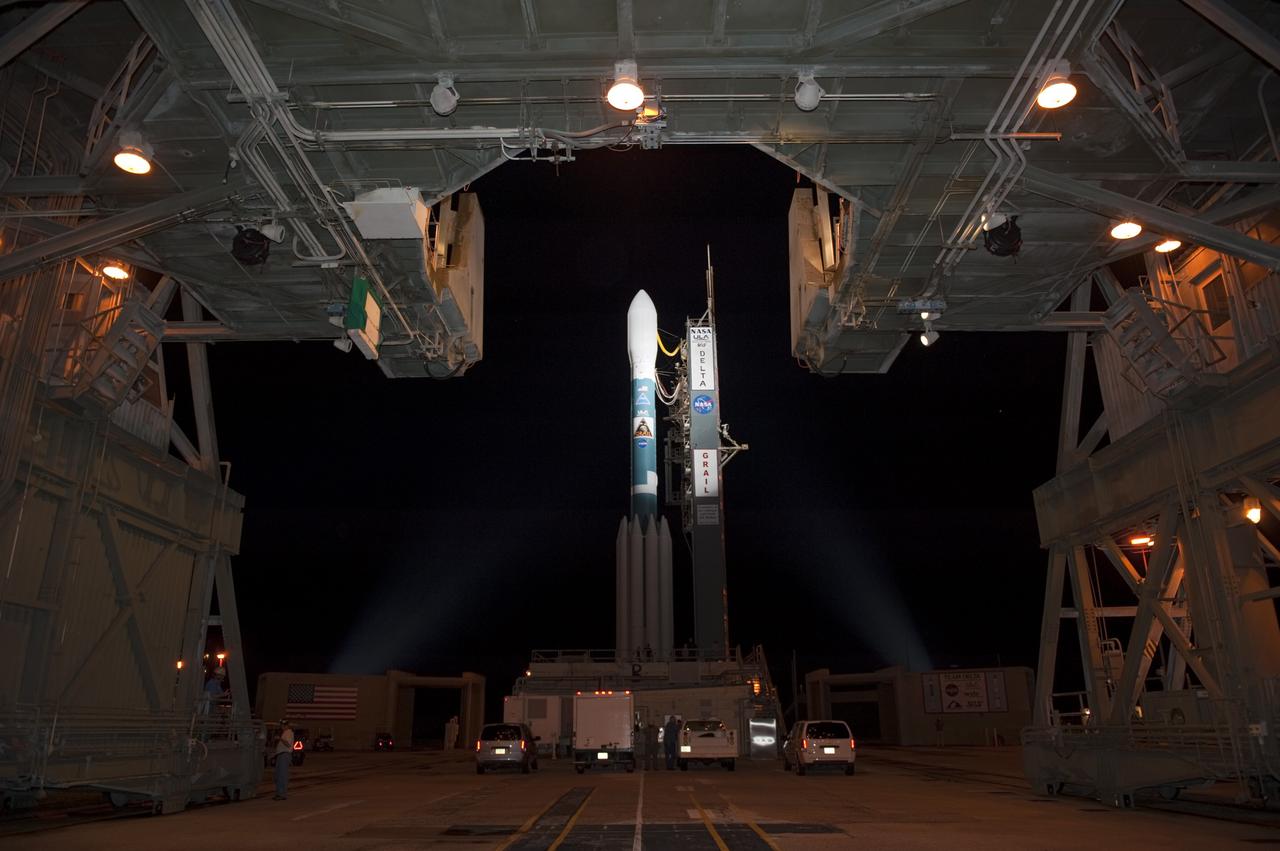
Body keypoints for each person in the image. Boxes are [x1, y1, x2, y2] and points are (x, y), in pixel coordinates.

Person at [273, 719, 294, 800]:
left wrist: (280, 739)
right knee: (278, 775)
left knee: (282, 775)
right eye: (281, 725)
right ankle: (279, 793)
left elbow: (288, 744)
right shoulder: (285, 733)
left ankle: (282, 794)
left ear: (286, 725)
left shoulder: (288, 732)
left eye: (283, 725)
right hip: (281, 755)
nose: (282, 726)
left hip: (284, 755)